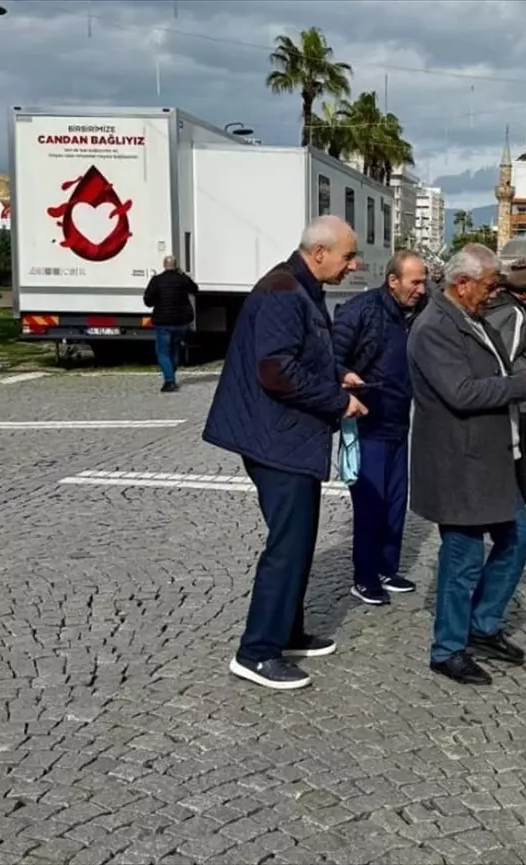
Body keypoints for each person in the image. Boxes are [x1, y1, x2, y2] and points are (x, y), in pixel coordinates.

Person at [203, 215, 367, 690]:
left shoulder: (299, 286)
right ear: (319, 253)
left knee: (298, 542)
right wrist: (338, 400)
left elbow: (302, 356)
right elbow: (275, 372)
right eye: (347, 256)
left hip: (288, 437)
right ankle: (256, 652)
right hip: (274, 439)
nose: (353, 265)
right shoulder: (281, 291)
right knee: (287, 545)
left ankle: (287, 632)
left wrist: (336, 376)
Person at [408, 244, 526, 686]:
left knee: (518, 538)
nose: (495, 294)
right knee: (463, 556)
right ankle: (448, 648)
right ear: (463, 283)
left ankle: (483, 623)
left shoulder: (470, 316)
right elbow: (463, 392)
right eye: (490, 286)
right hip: (460, 462)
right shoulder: (435, 326)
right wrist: (522, 384)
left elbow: (489, 376)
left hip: (491, 458)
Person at [332, 250, 427, 607]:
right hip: (366, 422)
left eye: (424, 281)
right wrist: (343, 375)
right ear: (393, 281)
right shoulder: (361, 310)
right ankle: (364, 576)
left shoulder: (420, 311)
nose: (421, 288)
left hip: (400, 420)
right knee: (370, 503)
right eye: (415, 281)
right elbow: (331, 354)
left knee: (396, 502)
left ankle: (388, 568)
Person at [484, 259, 526, 474]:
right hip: (515, 400)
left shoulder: (490, 306)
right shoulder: (515, 313)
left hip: (491, 398)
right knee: (515, 478)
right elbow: (504, 362)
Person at [143, 255, 198, 393]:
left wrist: (157, 300)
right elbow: (195, 289)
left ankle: (169, 381)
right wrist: (183, 273)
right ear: (176, 265)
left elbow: (148, 301)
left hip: (163, 321)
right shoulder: (182, 280)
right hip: (181, 322)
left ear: (164, 265)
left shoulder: (157, 280)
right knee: (175, 349)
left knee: (163, 353)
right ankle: (170, 373)